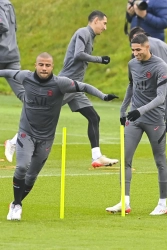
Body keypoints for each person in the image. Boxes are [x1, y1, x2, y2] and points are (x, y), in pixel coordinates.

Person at [0, 52, 118, 220]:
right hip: (26, 133)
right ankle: (17, 206)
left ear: (52, 67)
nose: (44, 68)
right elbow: (5, 72)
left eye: (48, 65)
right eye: (41, 64)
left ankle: (15, 202)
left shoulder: (60, 83)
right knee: (21, 167)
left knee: (32, 176)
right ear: (35, 65)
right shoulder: (25, 76)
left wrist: (103, 96)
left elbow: (84, 86)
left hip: (46, 138)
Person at [4, 10, 119, 168]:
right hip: (66, 85)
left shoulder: (89, 36)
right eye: (104, 23)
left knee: (93, 117)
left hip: (75, 87)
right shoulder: (83, 32)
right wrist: (99, 59)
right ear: (96, 21)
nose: (105, 27)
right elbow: (78, 54)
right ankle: (13, 142)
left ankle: (96, 156)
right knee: (42, 114)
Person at [106, 33, 167, 215]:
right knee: (125, 159)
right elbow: (131, 86)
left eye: (138, 50)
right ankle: (124, 202)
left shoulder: (160, 66)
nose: (135, 54)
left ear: (147, 46)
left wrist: (139, 110)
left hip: (155, 120)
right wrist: (122, 110)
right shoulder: (132, 64)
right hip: (134, 119)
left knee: (160, 161)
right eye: (133, 50)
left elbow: (161, 98)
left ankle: (162, 204)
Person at [128, 27, 167, 163]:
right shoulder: (163, 43)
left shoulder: (142, 49)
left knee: (155, 123)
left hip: (160, 90)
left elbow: (140, 72)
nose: (134, 49)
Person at [0, 0, 24, 161]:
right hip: (12, 54)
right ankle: (16, 141)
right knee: (29, 98)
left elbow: (3, 26)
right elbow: (13, 28)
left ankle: (16, 141)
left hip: (2, 54)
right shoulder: (9, 4)